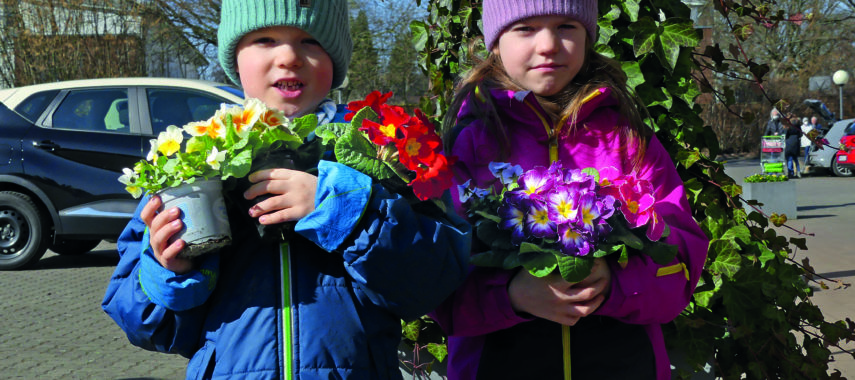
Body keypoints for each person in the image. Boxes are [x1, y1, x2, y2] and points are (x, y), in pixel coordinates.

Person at [102, 1, 471, 378]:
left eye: (311, 41)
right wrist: (171, 268)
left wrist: (345, 209)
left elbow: (432, 282)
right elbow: (147, 325)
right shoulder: (194, 161)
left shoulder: (375, 150)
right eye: (264, 39)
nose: (290, 56)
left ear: (336, 58)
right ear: (234, 57)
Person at [431, 1, 709, 379]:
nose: (548, 44)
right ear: (495, 42)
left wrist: (615, 283)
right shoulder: (468, 146)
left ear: (588, 36)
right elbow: (435, 283)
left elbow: (682, 256)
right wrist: (511, 295)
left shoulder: (628, 140)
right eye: (525, 28)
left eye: (566, 26)